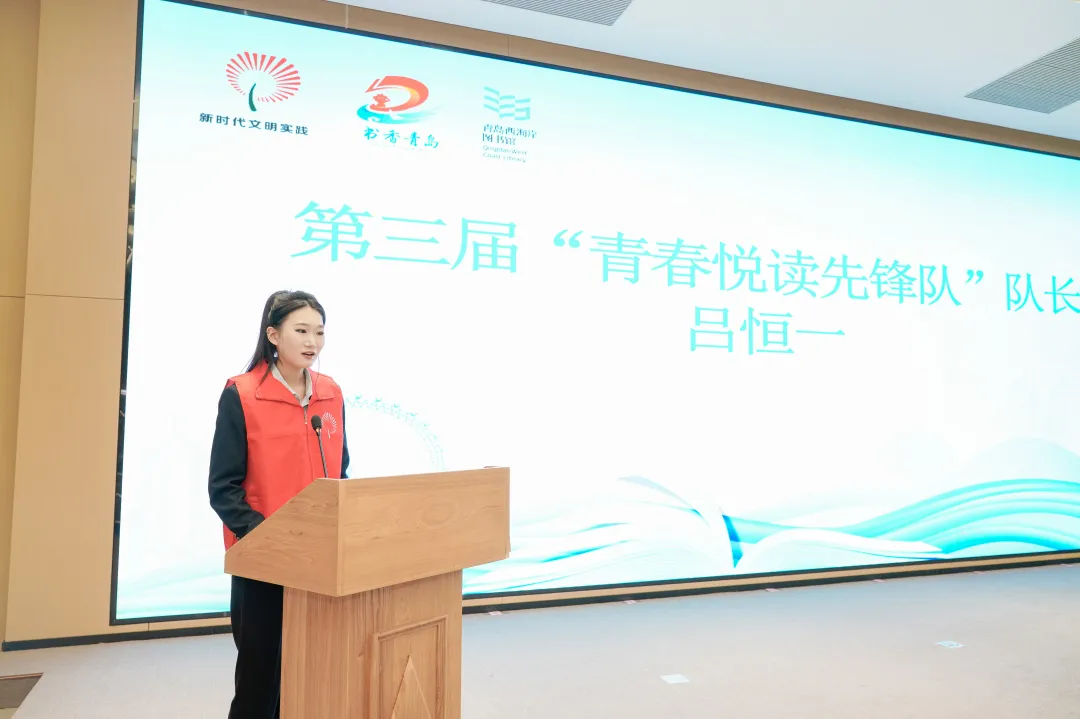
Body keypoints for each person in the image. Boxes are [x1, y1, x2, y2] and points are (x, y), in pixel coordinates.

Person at [208, 290, 349, 718]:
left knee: (309, 679)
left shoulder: (330, 393)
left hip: (319, 559)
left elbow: (341, 470)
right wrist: (268, 537)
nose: (312, 342)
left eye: (319, 332)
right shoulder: (242, 393)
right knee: (260, 684)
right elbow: (223, 487)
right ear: (273, 335)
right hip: (264, 561)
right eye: (301, 331)